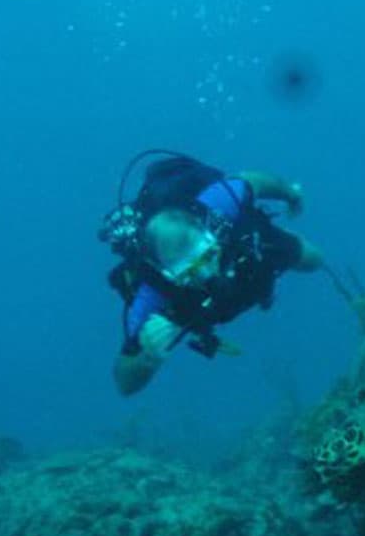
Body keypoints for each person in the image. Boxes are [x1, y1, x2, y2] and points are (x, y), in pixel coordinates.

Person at [100, 150, 323, 396]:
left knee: (314, 259)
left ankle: (273, 242)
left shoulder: (219, 204)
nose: (207, 273)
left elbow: (254, 180)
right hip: (201, 303)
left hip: (250, 250)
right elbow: (124, 382)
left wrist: (291, 195)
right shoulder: (151, 296)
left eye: (208, 256)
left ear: (209, 231)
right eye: (190, 271)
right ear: (166, 272)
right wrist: (147, 358)